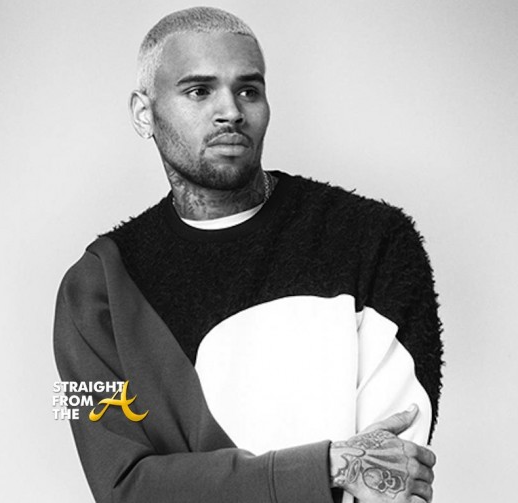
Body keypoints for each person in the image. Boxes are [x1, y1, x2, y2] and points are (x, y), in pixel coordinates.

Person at [54, 7, 443, 503]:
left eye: (249, 90)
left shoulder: (375, 241)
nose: (231, 112)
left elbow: (389, 474)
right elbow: (123, 489)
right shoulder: (95, 288)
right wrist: (325, 466)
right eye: (199, 91)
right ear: (143, 113)